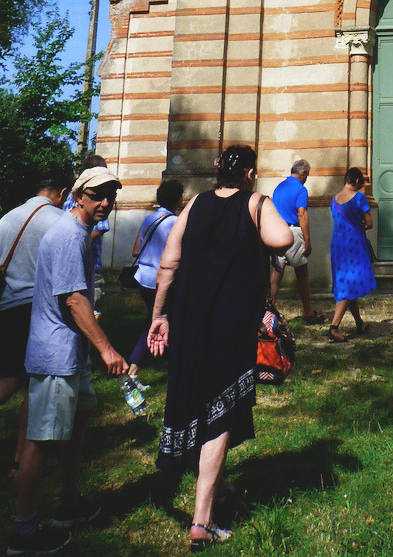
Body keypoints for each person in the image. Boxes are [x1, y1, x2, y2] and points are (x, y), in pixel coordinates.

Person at [149, 144, 291, 549]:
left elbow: (169, 263)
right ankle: (202, 521)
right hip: (232, 320)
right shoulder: (256, 202)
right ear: (249, 172)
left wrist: (160, 315)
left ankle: (221, 484)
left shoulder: (194, 205)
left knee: (200, 398)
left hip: (191, 316)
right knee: (220, 414)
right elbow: (280, 239)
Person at [9, 165, 129, 555]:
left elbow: (77, 298)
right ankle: (24, 533)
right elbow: (73, 300)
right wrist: (107, 348)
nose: (106, 203)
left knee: (79, 424)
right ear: (78, 195)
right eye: (98, 195)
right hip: (55, 356)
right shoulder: (65, 236)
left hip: (71, 353)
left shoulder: (79, 233)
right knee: (41, 441)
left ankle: (68, 503)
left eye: (111, 195)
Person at [0, 171, 72, 473]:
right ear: (63, 193)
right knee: (34, 382)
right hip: (37, 311)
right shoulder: (59, 221)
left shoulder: (8, 218)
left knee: (12, 375)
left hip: (3, 310)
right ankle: (20, 458)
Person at [126, 179, 184, 379]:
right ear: (178, 200)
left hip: (143, 278)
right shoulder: (176, 223)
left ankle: (168, 359)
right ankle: (132, 369)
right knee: (155, 320)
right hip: (163, 281)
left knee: (162, 318)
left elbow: (135, 251)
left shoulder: (148, 220)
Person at [270, 159, 323, 324]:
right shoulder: (300, 189)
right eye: (307, 175)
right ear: (303, 173)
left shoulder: (279, 187)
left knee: (276, 274)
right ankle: (308, 312)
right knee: (302, 274)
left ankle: (269, 310)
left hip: (278, 231)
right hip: (294, 232)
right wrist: (307, 240)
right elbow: (302, 214)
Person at [328, 168, 376, 342]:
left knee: (348, 282)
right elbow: (369, 223)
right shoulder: (359, 198)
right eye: (361, 183)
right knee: (348, 285)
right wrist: (361, 222)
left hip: (338, 245)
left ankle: (359, 323)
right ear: (356, 181)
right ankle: (334, 327)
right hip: (354, 245)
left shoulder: (334, 199)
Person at [62, 154, 111, 304]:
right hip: (74, 264)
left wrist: (76, 245)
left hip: (88, 265)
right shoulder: (84, 197)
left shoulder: (99, 198)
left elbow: (99, 229)